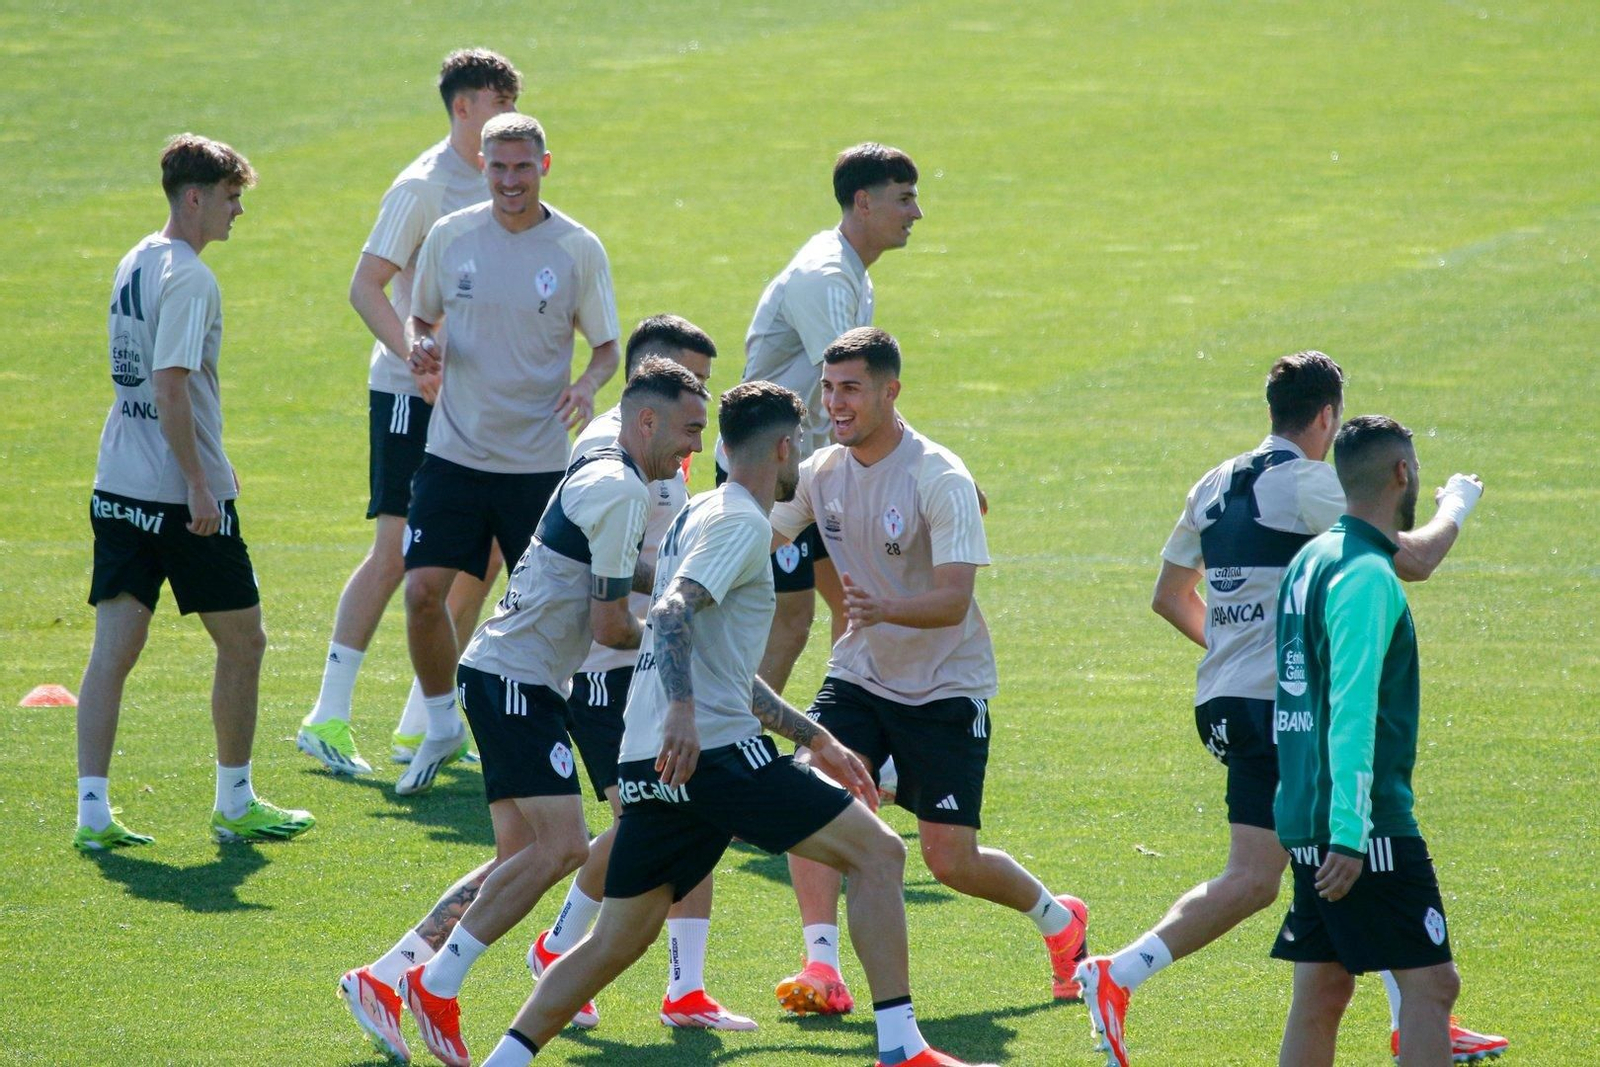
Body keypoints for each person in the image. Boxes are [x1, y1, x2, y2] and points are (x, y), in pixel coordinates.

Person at [474, 380, 993, 1067]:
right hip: (712, 756)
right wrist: (687, 715)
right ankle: (901, 1047)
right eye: (798, 450)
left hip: (648, 759)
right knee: (879, 854)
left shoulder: (699, 514)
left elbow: (714, 657)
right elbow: (670, 614)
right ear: (782, 447)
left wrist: (817, 738)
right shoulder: (744, 523)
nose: (800, 463)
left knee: (615, 939)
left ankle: (502, 1060)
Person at [1074, 352, 1502, 1066]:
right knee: (1309, 857)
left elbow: (1168, 593)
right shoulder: (1309, 485)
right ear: (1328, 416)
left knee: (1313, 929)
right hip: (1285, 709)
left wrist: (1231, 646)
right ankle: (1121, 973)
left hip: (1221, 698)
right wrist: (1457, 502)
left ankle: (1419, 1008)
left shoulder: (1214, 481)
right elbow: (1406, 556)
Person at [355, 359, 707, 1067]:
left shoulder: (606, 466)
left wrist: (675, 582)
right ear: (649, 418)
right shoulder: (622, 489)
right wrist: (679, 638)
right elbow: (609, 625)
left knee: (519, 858)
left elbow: (595, 572)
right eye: (690, 429)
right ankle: (437, 982)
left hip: (509, 674)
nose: (693, 448)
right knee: (565, 846)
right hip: (518, 679)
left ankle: (386, 975)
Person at [771, 328, 1088, 1015]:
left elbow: (954, 601)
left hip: (945, 685)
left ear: (891, 391)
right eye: (828, 388)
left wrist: (882, 605)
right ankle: (821, 967)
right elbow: (761, 530)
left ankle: (1060, 922)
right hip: (858, 673)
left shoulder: (936, 475)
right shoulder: (822, 470)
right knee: (812, 790)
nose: (835, 404)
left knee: (951, 859)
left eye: (851, 388)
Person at [74, 134, 313, 850]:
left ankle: (92, 814)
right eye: (233, 198)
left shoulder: (136, 259)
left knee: (113, 648)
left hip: (117, 481)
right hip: (178, 499)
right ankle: (235, 799)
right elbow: (171, 383)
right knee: (245, 640)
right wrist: (200, 482)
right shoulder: (192, 278)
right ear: (196, 197)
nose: (239, 212)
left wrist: (208, 463)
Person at [527, 315, 755, 1032]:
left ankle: (685, 988)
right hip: (606, 668)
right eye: (690, 390)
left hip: (650, 661)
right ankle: (557, 947)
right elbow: (608, 571)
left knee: (690, 811)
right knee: (642, 828)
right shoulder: (609, 451)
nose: (701, 415)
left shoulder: (661, 451)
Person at [298, 48, 522, 776]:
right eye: (497, 102)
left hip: (474, 397)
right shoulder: (423, 187)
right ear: (463, 108)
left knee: (483, 552)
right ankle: (327, 715)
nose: (508, 117)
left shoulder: (498, 177)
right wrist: (415, 352)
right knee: (396, 551)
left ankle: (425, 716)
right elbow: (366, 285)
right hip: (408, 394)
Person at [395, 110, 621, 795]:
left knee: (557, 614)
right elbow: (419, 314)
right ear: (482, 168)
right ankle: (439, 720)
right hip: (455, 453)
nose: (510, 180)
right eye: (498, 167)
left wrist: (584, 385)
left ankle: (568, 739)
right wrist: (419, 343)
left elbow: (608, 346)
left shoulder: (577, 248)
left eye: (523, 166)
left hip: (538, 467)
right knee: (422, 593)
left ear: (544, 166)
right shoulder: (451, 235)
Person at [1271, 415, 1471, 1066]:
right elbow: (1351, 709)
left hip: (1304, 811)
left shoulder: (1311, 559)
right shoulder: (1365, 574)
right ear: (1402, 474)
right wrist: (1352, 832)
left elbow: (1295, 693)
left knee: (1323, 988)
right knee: (1433, 985)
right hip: (1361, 821)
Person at [722, 142, 922, 697]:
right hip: (768, 475)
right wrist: (922, 463)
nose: (916, 214)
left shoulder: (853, 272)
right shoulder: (827, 276)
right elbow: (851, 388)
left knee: (853, 603)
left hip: (805, 471)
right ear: (864, 201)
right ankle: (732, 740)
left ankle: (847, 733)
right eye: (904, 199)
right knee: (784, 614)